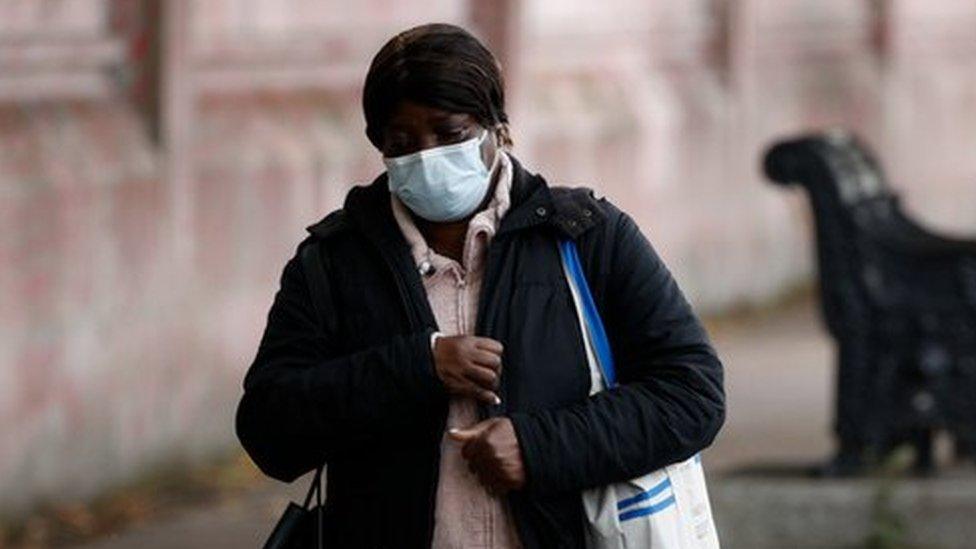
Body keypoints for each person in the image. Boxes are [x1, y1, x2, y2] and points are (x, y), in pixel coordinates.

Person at [235, 22, 725, 549]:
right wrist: (416, 367)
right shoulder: (334, 263)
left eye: (450, 135)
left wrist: (540, 447)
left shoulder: (585, 238)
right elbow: (269, 431)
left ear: (498, 127)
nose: (426, 157)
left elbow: (692, 393)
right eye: (402, 143)